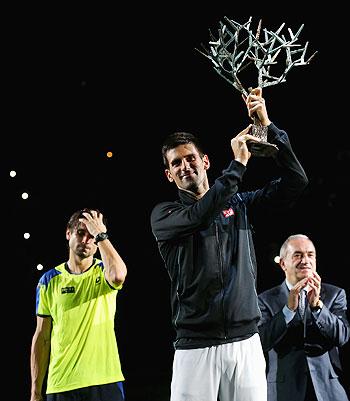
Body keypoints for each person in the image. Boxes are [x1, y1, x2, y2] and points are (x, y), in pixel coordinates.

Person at [150, 87, 309, 401]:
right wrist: (236, 165)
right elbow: (201, 213)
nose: (185, 166)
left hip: (245, 344)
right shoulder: (165, 216)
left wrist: (268, 128)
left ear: (206, 161)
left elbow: (297, 181)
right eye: (176, 163)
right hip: (196, 348)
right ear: (169, 175)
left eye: (191, 158)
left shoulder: (239, 204)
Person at [30, 208, 127, 401]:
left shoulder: (103, 271)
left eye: (92, 236)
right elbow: (42, 337)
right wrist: (35, 391)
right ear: (68, 233)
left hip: (104, 381)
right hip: (61, 384)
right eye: (81, 233)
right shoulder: (49, 280)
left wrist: (101, 234)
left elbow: (117, 275)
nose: (86, 241)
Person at [258, 234, 350, 401]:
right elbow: (261, 342)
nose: (305, 260)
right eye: (298, 255)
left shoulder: (335, 294)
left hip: (327, 390)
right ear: (283, 263)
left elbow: (342, 336)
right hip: (284, 391)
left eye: (310, 254)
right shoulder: (265, 300)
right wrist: (288, 310)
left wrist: (318, 307)